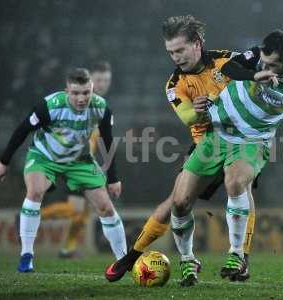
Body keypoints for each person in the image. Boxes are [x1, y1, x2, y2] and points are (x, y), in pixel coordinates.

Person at [105, 15, 256, 283]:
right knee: (177, 202)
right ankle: (169, 259)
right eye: (170, 52)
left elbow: (259, 68)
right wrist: (198, 111)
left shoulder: (227, 60)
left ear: (197, 44)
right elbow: (187, 118)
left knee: (239, 184)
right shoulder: (175, 83)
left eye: (179, 50)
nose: (175, 57)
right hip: (206, 143)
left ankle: (241, 257)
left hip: (242, 138)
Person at [169, 29, 283, 286]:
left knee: (235, 182)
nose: (266, 66)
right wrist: (255, 74)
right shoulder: (256, 57)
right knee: (180, 202)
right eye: (264, 62)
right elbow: (229, 69)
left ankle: (236, 255)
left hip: (253, 139)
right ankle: (188, 259)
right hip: (218, 131)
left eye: (272, 65)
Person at [0, 68, 127, 272]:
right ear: (67, 91)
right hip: (44, 157)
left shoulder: (101, 108)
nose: (81, 98)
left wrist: (113, 178)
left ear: (92, 90)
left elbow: (108, 142)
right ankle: (26, 256)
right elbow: (23, 130)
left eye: (85, 93)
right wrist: (4, 162)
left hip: (80, 161)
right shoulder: (50, 106)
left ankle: (123, 260)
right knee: (35, 192)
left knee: (106, 208)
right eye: (75, 93)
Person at [40, 61, 113, 258]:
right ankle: (33, 216)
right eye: (98, 79)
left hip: (83, 162)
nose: (103, 84)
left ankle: (67, 249)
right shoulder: (79, 106)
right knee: (77, 210)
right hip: (71, 162)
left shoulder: (98, 107)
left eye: (106, 80)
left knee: (81, 212)